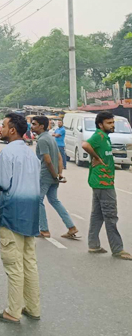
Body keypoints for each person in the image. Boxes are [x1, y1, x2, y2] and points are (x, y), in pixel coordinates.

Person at [0, 113, 42, 324]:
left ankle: (13, 311)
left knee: (13, 264)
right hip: (31, 213)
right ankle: (33, 307)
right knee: (29, 262)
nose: (2, 129)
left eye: (4, 126)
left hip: (13, 213)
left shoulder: (7, 153)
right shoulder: (30, 154)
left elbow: (4, 183)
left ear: (13, 130)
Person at [82, 111, 132, 260]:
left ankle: (93, 245)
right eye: (109, 123)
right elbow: (85, 145)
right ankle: (118, 250)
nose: (112, 125)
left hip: (101, 181)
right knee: (111, 216)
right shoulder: (99, 136)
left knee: (97, 215)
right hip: (103, 182)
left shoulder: (106, 138)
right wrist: (95, 157)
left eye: (113, 122)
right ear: (100, 124)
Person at [31, 116, 78, 240]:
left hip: (46, 175)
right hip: (53, 175)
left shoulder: (42, 140)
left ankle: (44, 229)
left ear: (41, 126)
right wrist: (59, 174)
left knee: (38, 201)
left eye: (34, 124)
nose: (32, 126)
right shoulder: (50, 139)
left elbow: (47, 160)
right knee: (54, 201)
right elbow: (59, 157)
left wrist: (54, 174)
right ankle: (71, 227)